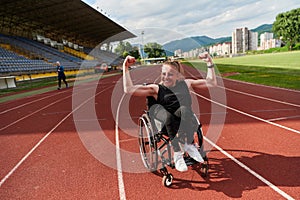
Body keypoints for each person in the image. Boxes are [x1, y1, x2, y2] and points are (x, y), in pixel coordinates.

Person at [123, 53, 217, 172]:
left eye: (170, 74)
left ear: (178, 76)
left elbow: (211, 83)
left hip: (183, 122)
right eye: (163, 74)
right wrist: (125, 68)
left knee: (185, 110)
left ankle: (189, 144)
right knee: (168, 116)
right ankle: (178, 153)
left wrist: (209, 62)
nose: (166, 77)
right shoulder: (155, 89)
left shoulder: (186, 84)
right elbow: (129, 89)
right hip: (163, 124)